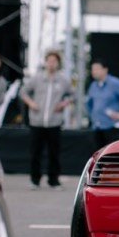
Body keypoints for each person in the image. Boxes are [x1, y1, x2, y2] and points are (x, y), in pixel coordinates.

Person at [20, 51, 74, 190]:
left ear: (58, 63)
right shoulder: (36, 78)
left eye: (54, 61)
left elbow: (73, 95)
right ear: (45, 62)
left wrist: (64, 104)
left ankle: (53, 180)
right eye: (49, 60)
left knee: (54, 153)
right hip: (37, 121)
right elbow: (23, 92)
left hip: (54, 122)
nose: (51, 63)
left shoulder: (63, 80)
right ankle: (35, 180)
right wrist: (31, 103)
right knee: (35, 152)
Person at [86, 57, 119, 151]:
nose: (94, 71)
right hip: (97, 128)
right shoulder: (93, 85)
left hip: (111, 128)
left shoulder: (115, 83)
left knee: (110, 156)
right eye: (93, 69)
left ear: (105, 70)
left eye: (97, 69)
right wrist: (92, 116)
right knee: (97, 157)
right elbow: (88, 104)